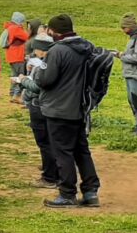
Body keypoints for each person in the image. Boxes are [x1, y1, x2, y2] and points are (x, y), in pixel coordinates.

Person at [30, 14, 101, 208]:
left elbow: (46, 80)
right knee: (81, 151)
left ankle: (67, 194)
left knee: (63, 152)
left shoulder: (58, 50)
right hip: (78, 107)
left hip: (58, 108)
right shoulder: (86, 47)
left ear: (54, 31)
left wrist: (36, 70)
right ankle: (90, 192)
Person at [17, 34, 59, 189]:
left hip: (39, 106)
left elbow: (37, 87)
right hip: (52, 106)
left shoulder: (43, 65)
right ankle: (56, 173)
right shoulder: (55, 61)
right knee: (52, 141)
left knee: (44, 143)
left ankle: (50, 177)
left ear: (40, 49)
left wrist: (23, 80)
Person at [4, 12, 31, 104]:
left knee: (14, 75)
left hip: (11, 56)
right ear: (19, 21)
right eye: (22, 21)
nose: (23, 23)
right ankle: (17, 95)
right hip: (18, 55)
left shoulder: (9, 27)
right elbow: (27, 37)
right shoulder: (16, 29)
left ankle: (12, 94)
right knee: (20, 75)